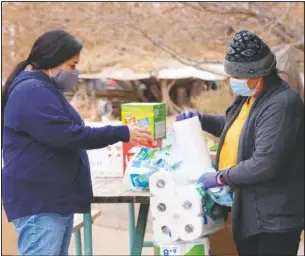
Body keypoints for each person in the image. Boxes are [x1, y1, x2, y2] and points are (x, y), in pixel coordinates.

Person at [2, 30, 151, 256]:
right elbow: (69, 135)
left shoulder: (43, 89)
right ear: (53, 61)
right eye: (72, 66)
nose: (76, 73)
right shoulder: (32, 91)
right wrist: (121, 132)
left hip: (53, 199)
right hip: (41, 201)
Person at [177, 30, 304, 256]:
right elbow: (239, 129)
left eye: (239, 76)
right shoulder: (249, 96)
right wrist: (203, 120)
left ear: (259, 74)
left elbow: (265, 164)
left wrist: (220, 177)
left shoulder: (282, 104)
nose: (234, 81)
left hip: (273, 221)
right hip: (250, 213)